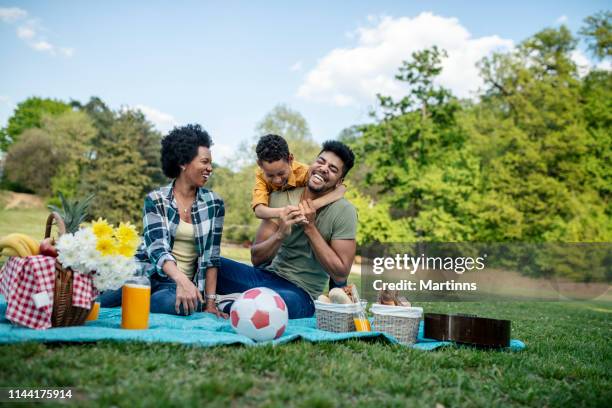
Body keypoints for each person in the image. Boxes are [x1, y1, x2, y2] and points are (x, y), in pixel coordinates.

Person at [217, 141, 358, 319]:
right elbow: (257, 259)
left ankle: (232, 303)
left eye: (333, 169)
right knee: (212, 264)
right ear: (312, 164)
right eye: (320, 161)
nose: (323, 168)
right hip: (265, 277)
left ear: (339, 182)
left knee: (279, 304)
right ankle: (237, 301)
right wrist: (280, 235)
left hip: (300, 293)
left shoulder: (345, 212)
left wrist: (310, 228)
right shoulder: (280, 197)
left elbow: (340, 274)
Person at [100, 124, 227, 318]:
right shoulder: (156, 199)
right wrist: (182, 280)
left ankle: (139, 303)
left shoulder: (214, 203)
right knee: (97, 304)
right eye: (204, 162)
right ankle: (134, 299)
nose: (210, 168)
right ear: (184, 162)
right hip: (146, 275)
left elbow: (212, 257)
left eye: (211, 163)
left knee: (174, 304)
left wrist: (210, 303)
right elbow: (157, 249)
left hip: (174, 287)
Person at [252, 134, 346, 220]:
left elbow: (341, 190)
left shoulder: (304, 172)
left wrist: (313, 206)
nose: (277, 180)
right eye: (270, 175)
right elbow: (259, 210)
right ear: (259, 164)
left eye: (281, 173)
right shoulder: (260, 175)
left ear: (290, 159)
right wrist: (288, 212)